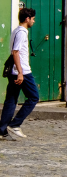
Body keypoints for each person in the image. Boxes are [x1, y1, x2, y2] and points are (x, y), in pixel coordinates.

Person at [0, 8, 38, 140]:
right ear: (27, 19)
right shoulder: (22, 32)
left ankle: (2, 130)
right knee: (34, 97)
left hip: (14, 71)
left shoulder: (16, 30)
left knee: (11, 100)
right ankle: (15, 124)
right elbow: (15, 52)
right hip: (22, 71)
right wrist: (21, 73)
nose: (34, 21)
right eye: (33, 19)